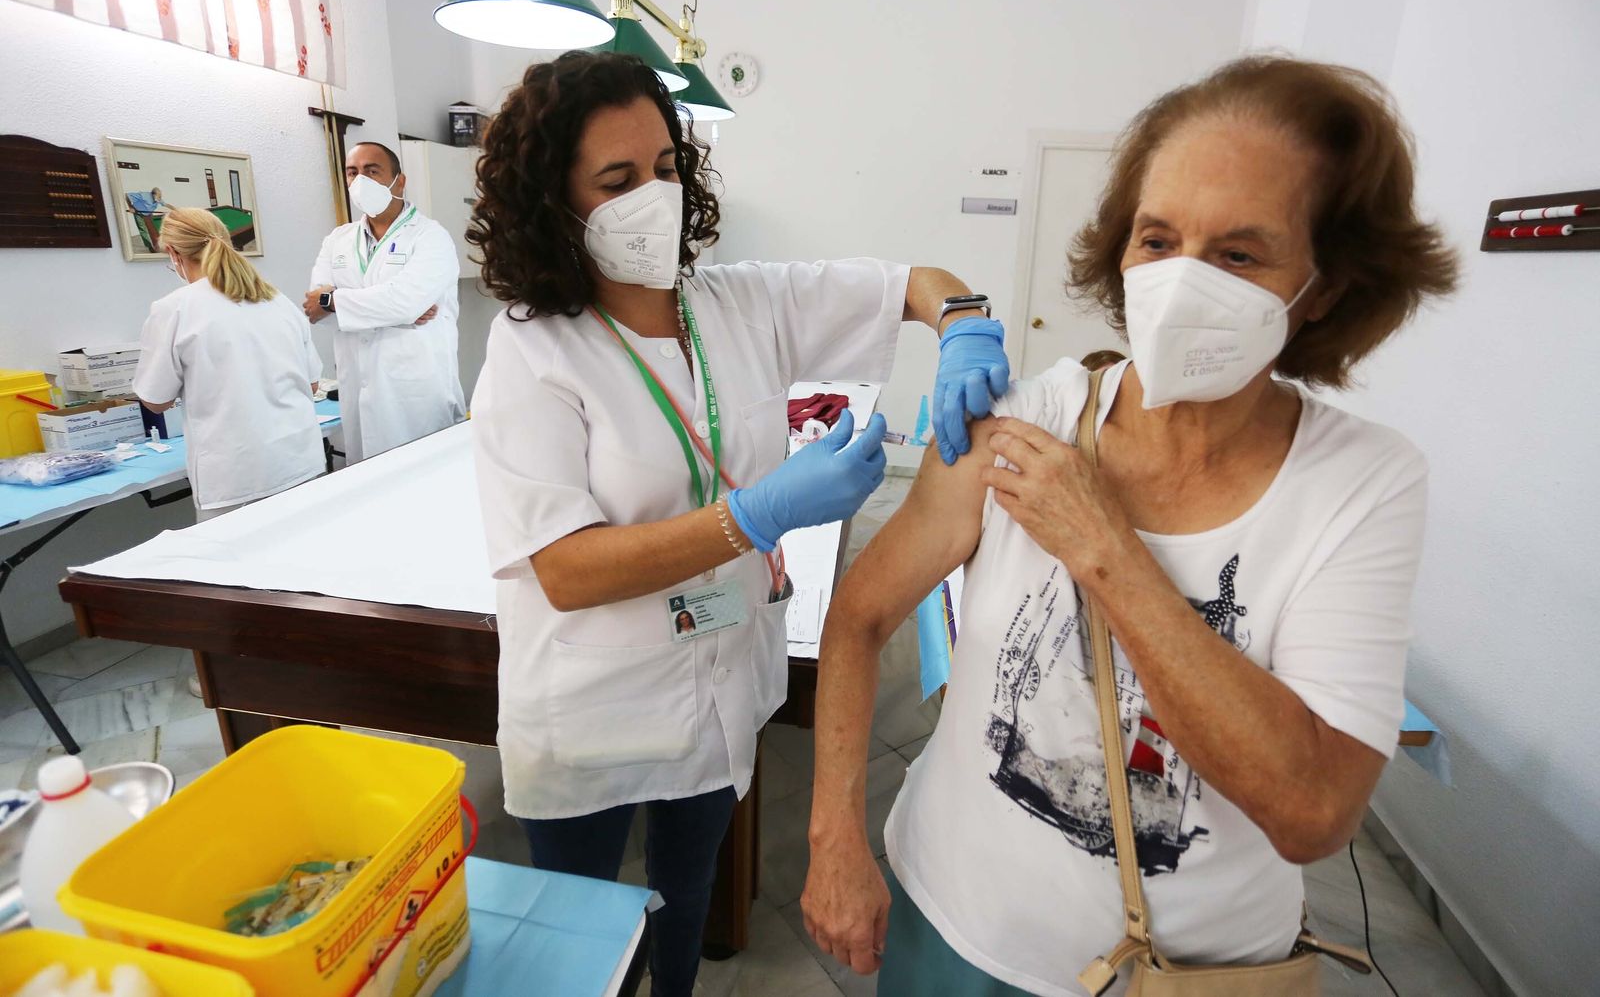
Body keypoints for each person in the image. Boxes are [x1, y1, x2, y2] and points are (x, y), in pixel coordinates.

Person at [801, 55, 1458, 995]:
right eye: (1158, 239)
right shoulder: (1022, 417)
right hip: (954, 932)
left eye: (1239, 254)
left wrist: (1103, 545)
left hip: (1188, 972)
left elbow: (1311, 812)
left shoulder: (1361, 483)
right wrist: (833, 841)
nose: (1182, 283)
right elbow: (861, 614)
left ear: (1331, 286)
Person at [468, 51, 1011, 997]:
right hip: (593, 703)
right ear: (553, 200)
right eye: (618, 180)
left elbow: (915, 282)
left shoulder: (736, 304)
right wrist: (757, 513)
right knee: (573, 935)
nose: (656, 196)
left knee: (687, 897)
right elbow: (565, 570)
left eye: (667, 168)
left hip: (718, 684)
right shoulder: (532, 350)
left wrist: (962, 319)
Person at [133, 206, 324, 524]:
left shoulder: (174, 309)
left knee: (237, 570)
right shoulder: (277, 300)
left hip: (235, 477)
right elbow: (313, 384)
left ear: (173, 253)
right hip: (299, 462)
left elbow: (156, 400)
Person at [304, 141, 465, 463]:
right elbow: (314, 307)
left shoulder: (431, 237)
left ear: (399, 181)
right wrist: (394, 311)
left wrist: (336, 300)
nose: (360, 180)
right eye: (353, 172)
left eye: (372, 171)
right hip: (357, 391)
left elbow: (403, 302)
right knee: (367, 492)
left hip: (415, 395)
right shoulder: (337, 240)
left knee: (425, 486)